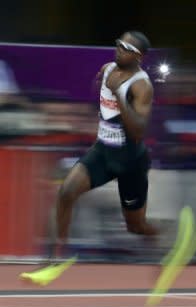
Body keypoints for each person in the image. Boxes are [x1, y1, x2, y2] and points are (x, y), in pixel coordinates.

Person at [21, 31, 156, 285]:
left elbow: (138, 131)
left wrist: (118, 96)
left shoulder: (141, 85)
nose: (119, 48)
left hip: (130, 161)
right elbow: (100, 91)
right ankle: (52, 262)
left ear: (139, 56)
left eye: (126, 47)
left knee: (136, 226)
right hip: (103, 151)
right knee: (66, 192)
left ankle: (162, 237)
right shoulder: (106, 69)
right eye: (118, 42)